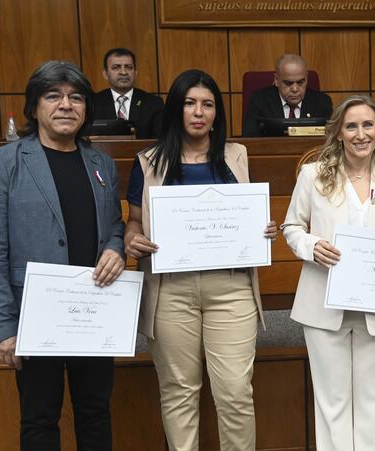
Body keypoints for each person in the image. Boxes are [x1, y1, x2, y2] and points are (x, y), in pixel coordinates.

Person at [0, 60, 125, 450]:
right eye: (53, 95)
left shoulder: (101, 163)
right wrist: (3, 326)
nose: (66, 105)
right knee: (40, 416)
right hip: (32, 314)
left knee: (95, 411)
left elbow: (114, 227)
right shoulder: (2, 164)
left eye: (76, 97)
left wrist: (115, 247)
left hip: (94, 309)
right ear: (35, 106)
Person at [123, 69, 277, 451]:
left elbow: (250, 215)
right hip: (170, 291)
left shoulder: (237, 155)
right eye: (190, 103)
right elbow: (135, 222)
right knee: (178, 392)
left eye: (207, 104)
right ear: (176, 108)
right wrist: (132, 239)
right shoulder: (148, 161)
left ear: (216, 113)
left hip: (231, 288)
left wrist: (263, 229)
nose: (198, 112)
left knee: (236, 392)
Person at [281, 94, 375, 451]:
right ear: (337, 132)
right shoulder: (313, 176)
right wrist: (311, 247)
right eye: (351, 126)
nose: (360, 134)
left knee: (373, 403)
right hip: (324, 306)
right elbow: (291, 226)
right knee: (332, 404)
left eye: (368, 125)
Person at [241, 54, 333, 136]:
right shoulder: (260, 101)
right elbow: (249, 138)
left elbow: (331, 138)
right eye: (289, 83)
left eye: (300, 82)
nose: (295, 89)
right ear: (277, 80)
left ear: (306, 78)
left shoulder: (322, 102)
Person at [93, 47, 164, 139]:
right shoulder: (93, 102)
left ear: (135, 73)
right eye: (116, 67)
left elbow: (160, 140)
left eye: (129, 67)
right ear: (105, 74)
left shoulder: (153, 103)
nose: (123, 72)